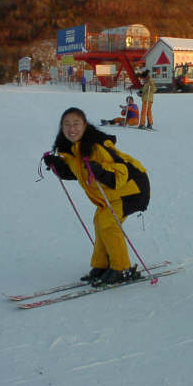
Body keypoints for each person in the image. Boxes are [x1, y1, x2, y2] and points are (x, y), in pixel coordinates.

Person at [43, 107, 150, 286]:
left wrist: (100, 171)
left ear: (85, 126)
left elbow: (121, 171)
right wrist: (58, 166)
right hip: (111, 194)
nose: (72, 129)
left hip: (133, 187)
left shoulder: (97, 146)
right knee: (100, 220)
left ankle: (121, 267)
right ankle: (103, 265)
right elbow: (78, 172)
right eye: (67, 124)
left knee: (108, 223)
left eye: (76, 124)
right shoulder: (71, 149)